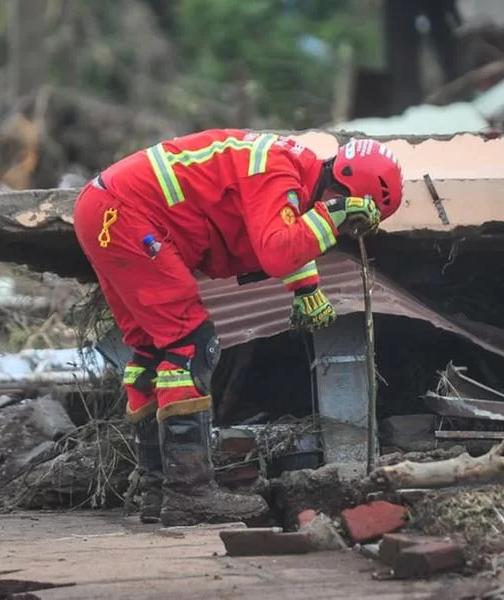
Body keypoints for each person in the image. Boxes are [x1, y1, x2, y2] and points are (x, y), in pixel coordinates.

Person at [73, 129, 404, 526]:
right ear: (343, 194)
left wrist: (307, 289)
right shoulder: (278, 170)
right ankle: (189, 493)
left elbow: (276, 224)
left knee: (150, 349)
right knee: (191, 344)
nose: (345, 234)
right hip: (126, 214)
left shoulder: (291, 171)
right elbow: (278, 248)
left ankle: (157, 489)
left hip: (105, 208)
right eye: (350, 223)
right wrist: (330, 219)